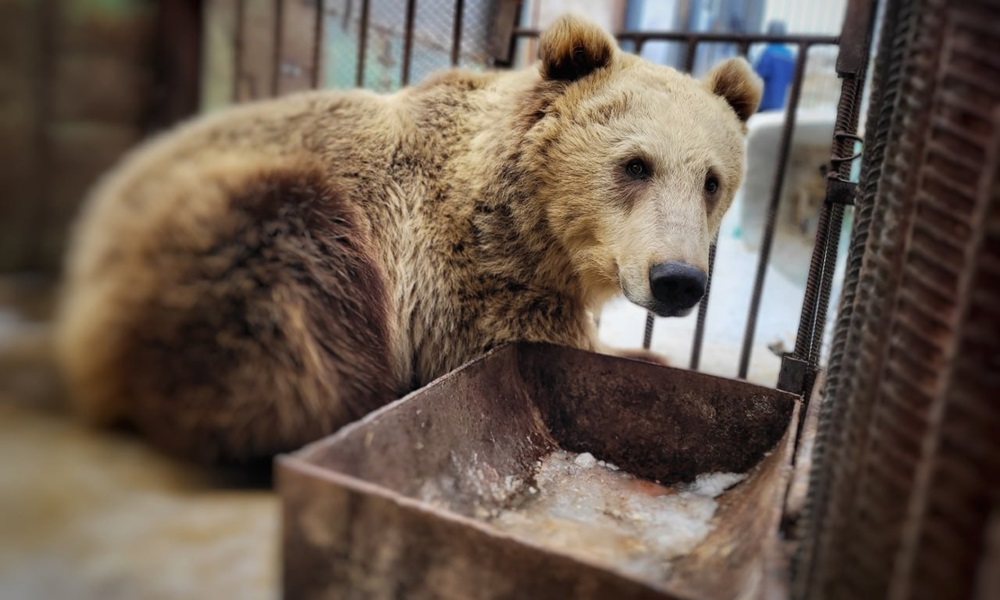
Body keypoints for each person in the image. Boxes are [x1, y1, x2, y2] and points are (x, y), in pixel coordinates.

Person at [754, 21, 796, 112]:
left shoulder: (768, 52)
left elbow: (757, 74)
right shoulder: (790, 55)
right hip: (779, 104)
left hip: (764, 102)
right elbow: (792, 79)